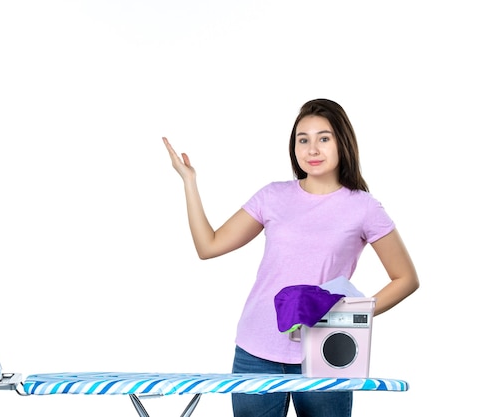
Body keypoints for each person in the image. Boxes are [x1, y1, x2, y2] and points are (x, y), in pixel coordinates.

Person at [162, 98, 419, 417]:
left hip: (325, 355)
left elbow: (406, 279)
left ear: (343, 142)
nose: (312, 149)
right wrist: (189, 181)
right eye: (303, 139)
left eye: (323, 138)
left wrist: (347, 318)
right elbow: (209, 246)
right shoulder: (272, 196)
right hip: (255, 350)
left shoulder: (364, 207)